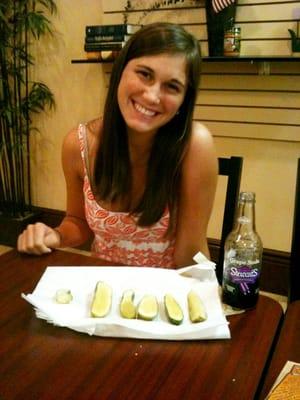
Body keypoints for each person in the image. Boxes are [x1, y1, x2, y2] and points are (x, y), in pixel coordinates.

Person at [17, 22, 218, 268]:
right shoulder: (77, 145)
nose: (152, 96)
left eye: (172, 86)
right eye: (145, 74)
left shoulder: (194, 146)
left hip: (164, 293)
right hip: (103, 294)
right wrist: (55, 235)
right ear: (120, 71)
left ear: (183, 101)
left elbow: (191, 252)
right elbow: (78, 222)